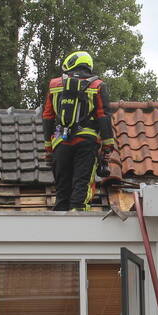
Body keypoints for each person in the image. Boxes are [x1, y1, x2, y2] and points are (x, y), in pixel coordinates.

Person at [41, 50, 115, 211]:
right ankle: (79, 215)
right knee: (82, 185)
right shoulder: (98, 85)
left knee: (62, 189)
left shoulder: (54, 85)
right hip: (86, 142)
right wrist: (108, 147)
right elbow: (104, 116)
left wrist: (48, 147)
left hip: (61, 142)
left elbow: (47, 116)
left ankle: (60, 215)